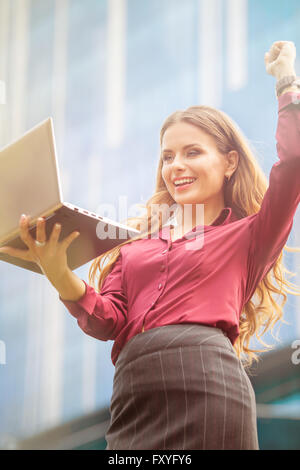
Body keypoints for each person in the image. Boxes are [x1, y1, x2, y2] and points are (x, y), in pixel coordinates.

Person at [1, 41, 300, 450]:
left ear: (230, 162)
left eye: (192, 152)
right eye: (167, 156)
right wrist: (58, 274)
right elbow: (106, 320)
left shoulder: (248, 236)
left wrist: (286, 81)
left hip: (209, 388)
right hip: (132, 398)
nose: (176, 165)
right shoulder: (134, 247)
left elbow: (294, 164)